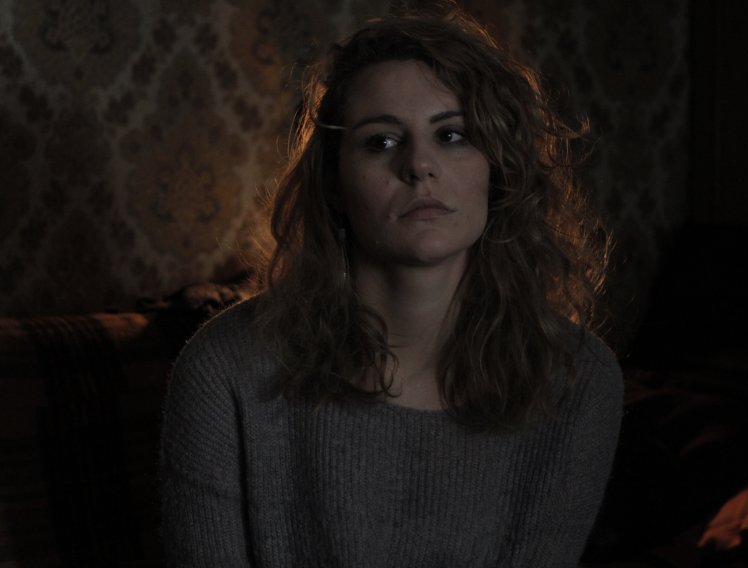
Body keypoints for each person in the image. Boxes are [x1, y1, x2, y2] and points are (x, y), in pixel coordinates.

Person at [160, 3, 623, 566]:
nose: (419, 165)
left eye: (452, 134)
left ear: (497, 167)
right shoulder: (225, 371)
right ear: (334, 183)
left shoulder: (576, 378)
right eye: (381, 141)